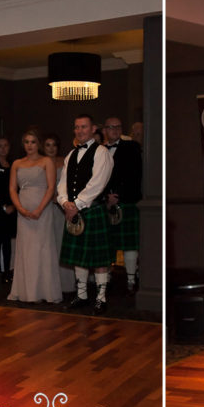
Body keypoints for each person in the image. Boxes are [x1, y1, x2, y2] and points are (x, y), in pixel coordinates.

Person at [57, 114, 114, 315]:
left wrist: (76, 205)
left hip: (92, 210)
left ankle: (101, 298)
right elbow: (62, 184)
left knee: (99, 259)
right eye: (77, 127)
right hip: (74, 210)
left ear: (93, 129)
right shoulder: (70, 155)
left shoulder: (101, 153)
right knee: (79, 258)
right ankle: (81, 296)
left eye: (84, 127)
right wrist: (64, 202)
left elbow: (97, 183)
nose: (80, 130)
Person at [7, 129, 62, 303]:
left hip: (43, 212)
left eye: (33, 142)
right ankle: (26, 292)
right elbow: (12, 189)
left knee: (43, 249)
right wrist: (20, 208)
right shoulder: (16, 163)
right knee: (26, 250)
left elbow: (51, 188)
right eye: (26, 142)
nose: (29, 145)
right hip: (23, 213)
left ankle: (45, 292)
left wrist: (39, 209)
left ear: (38, 143)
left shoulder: (46, 161)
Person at [101, 117, 144, 294]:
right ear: (104, 130)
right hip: (104, 203)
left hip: (126, 201)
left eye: (118, 127)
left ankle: (131, 279)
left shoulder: (131, 147)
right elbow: (95, 178)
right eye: (111, 127)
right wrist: (105, 197)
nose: (114, 130)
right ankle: (107, 278)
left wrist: (118, 196)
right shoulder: (99, 150)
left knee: (129, 244)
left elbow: (136, 176)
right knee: (106, 243)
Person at [44, 133, 76, 295]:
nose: (51, 148)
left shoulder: (65, 161)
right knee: (47, 245)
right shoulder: (40, 162)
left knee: (61, 242)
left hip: (61, 207)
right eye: (48, 145)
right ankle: (49, 285)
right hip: (45, 208)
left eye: (54, 145)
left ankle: (65, 284)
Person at [0, 137, 17, 284]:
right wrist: (3, 206)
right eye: (0, 146)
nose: (3, 149)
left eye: (5, 145)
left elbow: (16, 188)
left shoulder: (13, 164)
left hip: (12, 208)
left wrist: (13, 205)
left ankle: (7, 271)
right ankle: (0, 272)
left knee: (8, 241)